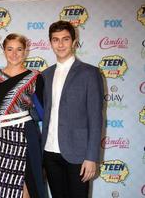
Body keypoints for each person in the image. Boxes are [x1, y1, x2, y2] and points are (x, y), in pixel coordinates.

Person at [41, 20, 104, 198]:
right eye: (55, 40)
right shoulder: (45, 75)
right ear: (50, 42)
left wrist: (91, 157)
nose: (60, 44)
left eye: (65, 39)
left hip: (77, 154)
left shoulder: (89, 73)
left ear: (74, 41)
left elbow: (95, 118)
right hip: (50, 152)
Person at [0, 33, 45, 198]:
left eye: (19, 49)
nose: (14, 54)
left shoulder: (34, 77)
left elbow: (42, 112)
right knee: (4, 185)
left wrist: (22, 114)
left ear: (25, 51)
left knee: (27, 186)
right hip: (2, 139)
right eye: (10, 49)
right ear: (4, 50)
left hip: (26, 136)